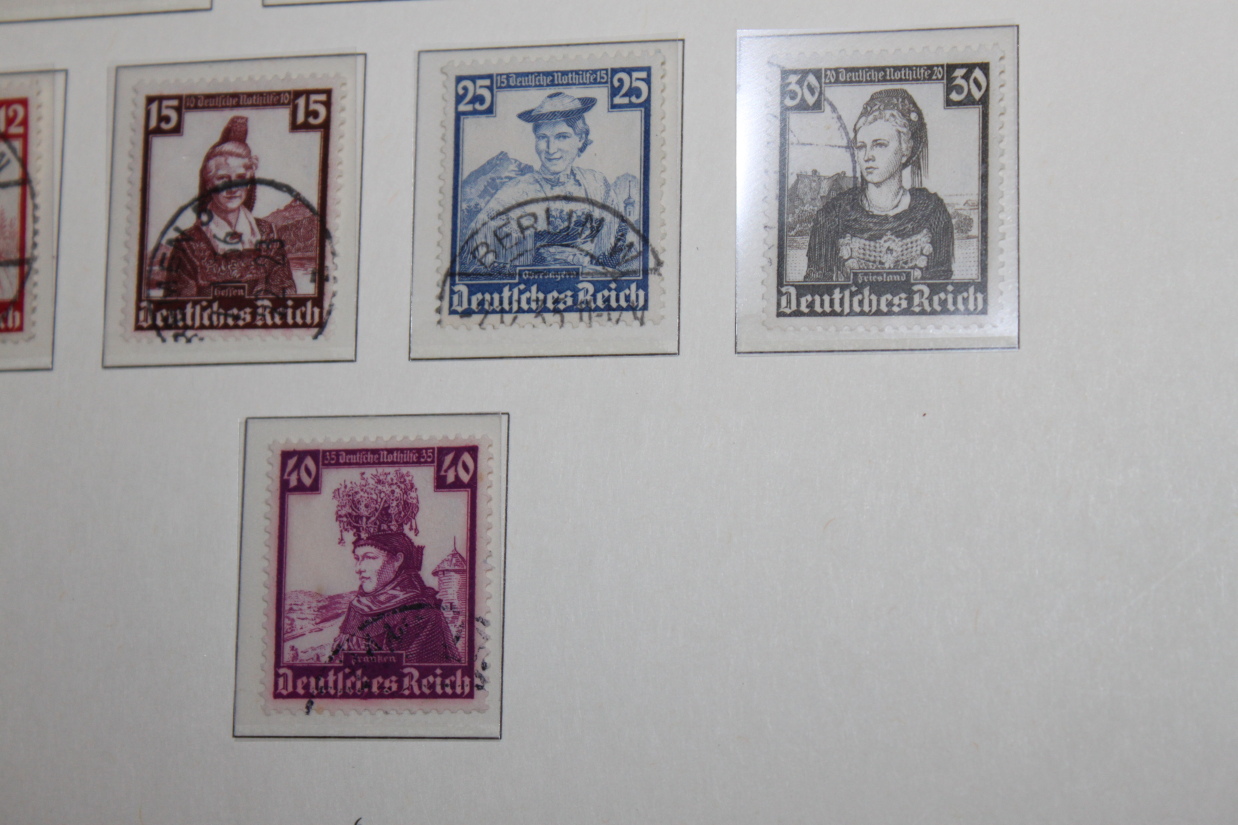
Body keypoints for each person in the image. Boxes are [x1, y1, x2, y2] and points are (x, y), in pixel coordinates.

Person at [461, 92, 622, 274]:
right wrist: (537, 258)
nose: (551, 149)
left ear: (581, 139)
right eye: (543, 137)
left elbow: (616, 249)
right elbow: (473, 255)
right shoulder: (513, 193)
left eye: (562, 137)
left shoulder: (597, 185)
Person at [804, 88, 954, 281]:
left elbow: (943, 287)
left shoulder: (931, 211)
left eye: (880, 145)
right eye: (861, 147)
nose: (868, 156)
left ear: (905, 149)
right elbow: (815, 290)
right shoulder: (833, 215)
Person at [159, 115, 296, 298]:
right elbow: (177, 309)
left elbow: (287, 298)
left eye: (240, 178)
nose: (233, 188)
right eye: (223, 179)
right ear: (209, 184)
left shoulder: (268, 233)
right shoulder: (187, 244)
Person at [329, 532, 461, 664]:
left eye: (369, 557)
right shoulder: (357, 607)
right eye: (357, 559)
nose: (359, 568)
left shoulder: (424, 614)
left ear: (397, 560)